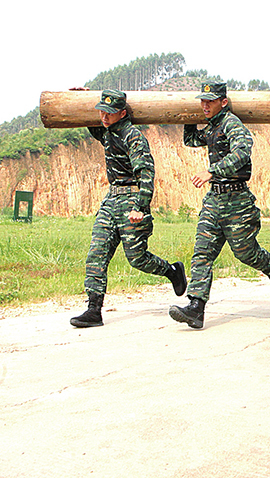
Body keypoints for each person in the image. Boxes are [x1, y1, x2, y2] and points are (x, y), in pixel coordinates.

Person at [169, 81, 270, 329]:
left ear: (223, 102)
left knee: (245, 252)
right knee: (202, 251)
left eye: (210, 101)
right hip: (214, 200)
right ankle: (196, 308)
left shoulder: (232, 124)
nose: (205, 105)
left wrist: (212, 171)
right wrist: (188, 116)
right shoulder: (213, 126)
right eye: (202, 101)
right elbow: (191, 140)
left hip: (237, 201)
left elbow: (242, 152)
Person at [71, 89, 187, 328]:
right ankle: (94, 310)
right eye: (102, 112)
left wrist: (140, 207)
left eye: (110, 113)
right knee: (97, 252)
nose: (104, 117)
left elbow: (146, 172)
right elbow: (91, 125)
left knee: (137, 258)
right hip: (111, 200)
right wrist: (85, 94)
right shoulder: (108, 132)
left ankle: (172, 271)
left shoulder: (132, 136)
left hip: (132, 199)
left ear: (122, 113)